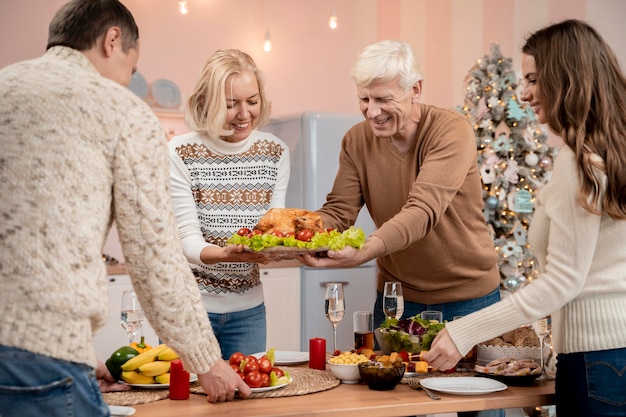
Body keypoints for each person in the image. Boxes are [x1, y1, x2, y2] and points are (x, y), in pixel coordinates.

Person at [0, 1, 251, 415]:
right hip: (41, 366)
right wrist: (206, 361)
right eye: (131, 71)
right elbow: (154, 257)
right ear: (112, 40)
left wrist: (77, 351)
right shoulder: (123, 112)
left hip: (46, 355)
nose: (125, 83)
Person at [423, 19, 626, 417]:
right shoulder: (611, 152)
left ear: (565, 78)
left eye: (533, 79)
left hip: (596, 362)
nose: (525, 92)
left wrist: (463, 331)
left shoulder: (578, 161)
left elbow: (564, 280)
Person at [299, 40, 502, 417]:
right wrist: (300, 234)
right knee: (393, 409)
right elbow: (339, 210)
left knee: (482, 412)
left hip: (470, 300)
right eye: (363, 99)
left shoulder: (451, 130)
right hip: (397, 301)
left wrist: (365, 250)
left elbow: (422, 211)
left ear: (416, 90)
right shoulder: (356, 141)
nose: (371, 112)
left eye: (383, 99)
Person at [168, 49, 290, 359]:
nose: (244, 114)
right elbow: (186, 239)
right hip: (190, 312)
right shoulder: (180, 152)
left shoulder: (275, 153)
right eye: (230, 104)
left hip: (249, 312)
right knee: (188, 405)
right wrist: (224, 254)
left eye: (252, 101)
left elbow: (272, 229)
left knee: (249, 404)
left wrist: (273, 250)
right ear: (206, 102)